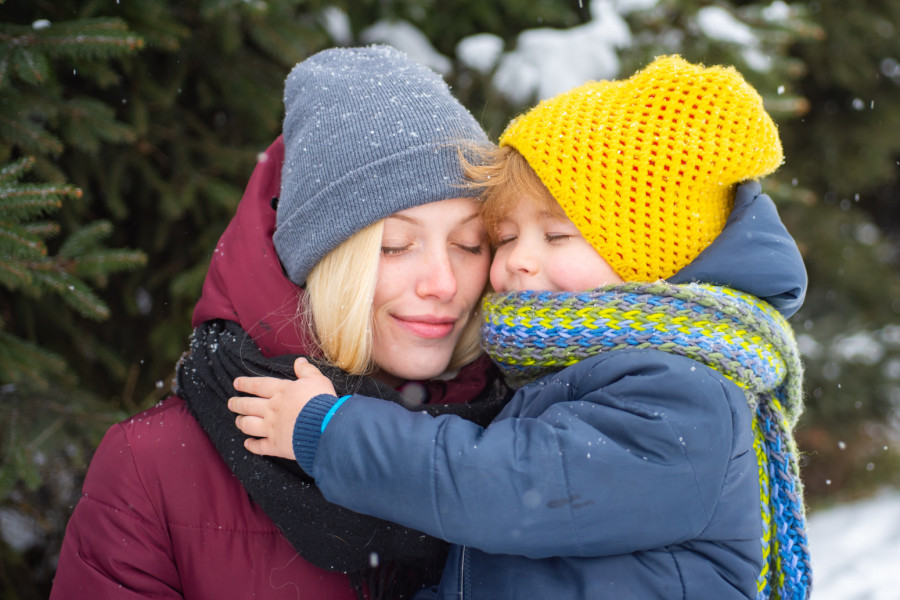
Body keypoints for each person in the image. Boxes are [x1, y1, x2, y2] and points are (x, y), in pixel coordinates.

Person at [227, 56, 812, 599]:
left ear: (655, 261)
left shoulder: (683, 393)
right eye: (505, 238)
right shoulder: (581, 373)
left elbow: (504, 488)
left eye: (556, 235)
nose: (518, 262)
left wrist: (330, 433)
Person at [50, 45, 510, 600]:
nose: (444, 282)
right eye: (394, 247)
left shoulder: (526, 444)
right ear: (324, 262)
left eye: (468, 243)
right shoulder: (151, 470)